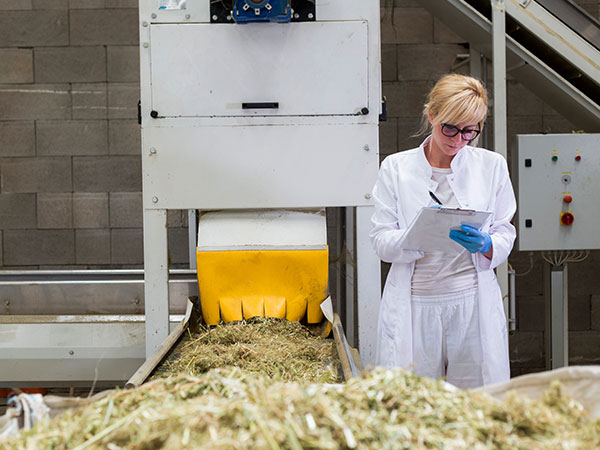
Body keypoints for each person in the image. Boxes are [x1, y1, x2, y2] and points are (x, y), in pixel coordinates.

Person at [369, 73, 516, 388]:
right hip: (415, 304)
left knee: (478, 398)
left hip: (471, 302)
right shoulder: (396, 169)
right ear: (431, 115)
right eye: (449, 128)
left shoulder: (491, 167)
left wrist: (488, 244)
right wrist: (414, 236)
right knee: (413, 402)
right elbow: (381, 240)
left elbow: (505, 230)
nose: (457, 140)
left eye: (468, 132)